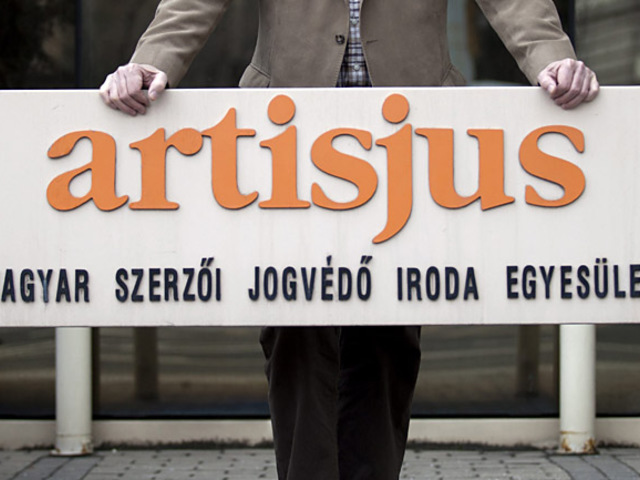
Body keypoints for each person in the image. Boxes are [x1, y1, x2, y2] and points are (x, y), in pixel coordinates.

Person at [100, 1, 599, 479]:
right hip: (287, 137)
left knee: (389, 330)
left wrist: (550, 57)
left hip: (411, 135)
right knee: (294, 324)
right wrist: (152, 61)